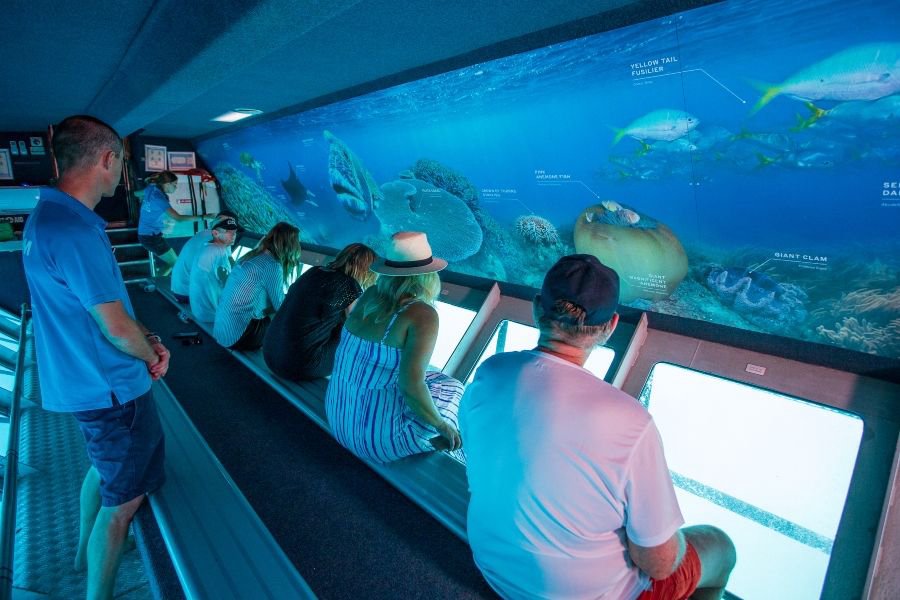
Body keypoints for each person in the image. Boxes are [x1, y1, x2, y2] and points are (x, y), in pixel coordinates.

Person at [459, 254, 737, 600]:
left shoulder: (491, 371)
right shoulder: (631, 421)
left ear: (537, 307)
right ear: (611, 325)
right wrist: (670, 536)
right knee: (720, 546)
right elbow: (659, 564)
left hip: (493, 568)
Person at [22, 115, 169, 600]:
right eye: (121, 163)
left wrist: (147, 336)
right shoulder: (76, 232)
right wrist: (152, 355)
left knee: (103, 469)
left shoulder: (46, 218)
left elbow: (102, 309)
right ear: (108, 159)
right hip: (111, 389)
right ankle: (98, 587)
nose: (120, 173)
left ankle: (83, 554)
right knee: (123, 503)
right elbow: (116, 328)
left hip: (83, 383)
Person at [325, 231, 463, 463]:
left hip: (338, 417)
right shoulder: (422, 314)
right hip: (372, 439)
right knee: (454, 389)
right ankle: (445, 445)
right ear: (428, 275)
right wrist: (441, 425)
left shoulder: (370, 294)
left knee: (433, 380)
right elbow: (410, 387)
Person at [263, 243, 376, 380]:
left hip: (269, 353)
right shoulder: (349, 286)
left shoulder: (314, 271)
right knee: (348, 329)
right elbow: (357, 326)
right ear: (366, 269)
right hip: (299, 364)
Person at [213, 221, 303, 350]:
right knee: (280, 316)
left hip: (221, 329)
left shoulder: (250, 255)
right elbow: (280, 307)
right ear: (290, 245)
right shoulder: (273, 265)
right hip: (237, 336)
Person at [137, 170, 210, 276]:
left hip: (148, 234)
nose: (176, 187)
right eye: (175, 184)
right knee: (176, 263)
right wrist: (204, 217)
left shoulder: (151, 188)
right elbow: (179, 218)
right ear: (167, 184)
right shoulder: (160, 199)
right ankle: (156, 282)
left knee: (174, 262)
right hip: (150, 238)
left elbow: (136, 193)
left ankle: (157, 280)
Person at [170, 209, 240, 303]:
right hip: (188, 294)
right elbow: (225, 275)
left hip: (178, 290)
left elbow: (229, 260)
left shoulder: (204, 233)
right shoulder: (220, 240)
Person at [188, 216, 239, 322]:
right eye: (228, 232)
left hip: (200, 310)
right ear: (215, 233)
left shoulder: (208, 247)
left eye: (234, 232)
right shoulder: (219, 252)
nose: (233, 235)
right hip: (211, 314)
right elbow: (229, 285)